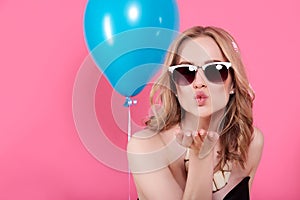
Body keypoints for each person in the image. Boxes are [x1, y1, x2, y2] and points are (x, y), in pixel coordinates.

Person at [127, 26, 264, 200]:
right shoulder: (146, 148)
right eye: (185, 72)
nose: (199, 83)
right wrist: (201, 157)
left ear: (233, 83)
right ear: (174, 85)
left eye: (215, 70)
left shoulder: (249, 142)